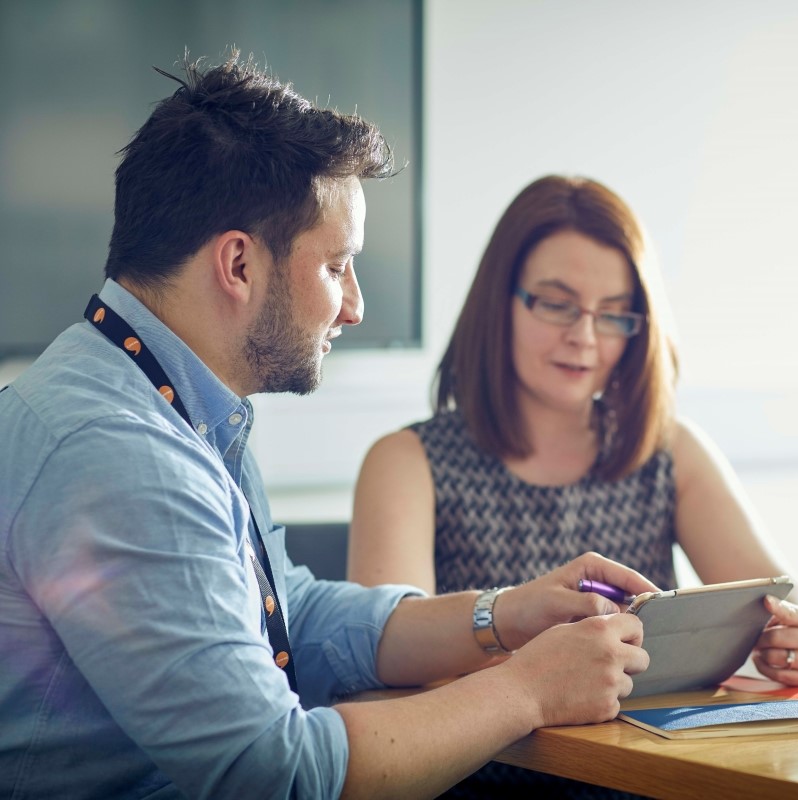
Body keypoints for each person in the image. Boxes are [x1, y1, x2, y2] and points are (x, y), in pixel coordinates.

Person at [0, 54, 655, 800]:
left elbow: (293, 615)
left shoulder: (170, 398)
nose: (354, 307)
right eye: (337, 266)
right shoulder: (118, 454)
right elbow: (274, 774)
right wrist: (529, 690)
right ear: (239, 264)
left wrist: (500, 616)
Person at [349, 175, 798, 684]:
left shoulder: (669, 450)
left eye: (613, 315)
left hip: (646, 758)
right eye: (557, 304)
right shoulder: (407, 462)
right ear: (499, 303)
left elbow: (788, 602)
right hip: (485, 760)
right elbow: (386, 663)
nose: (584, 337)